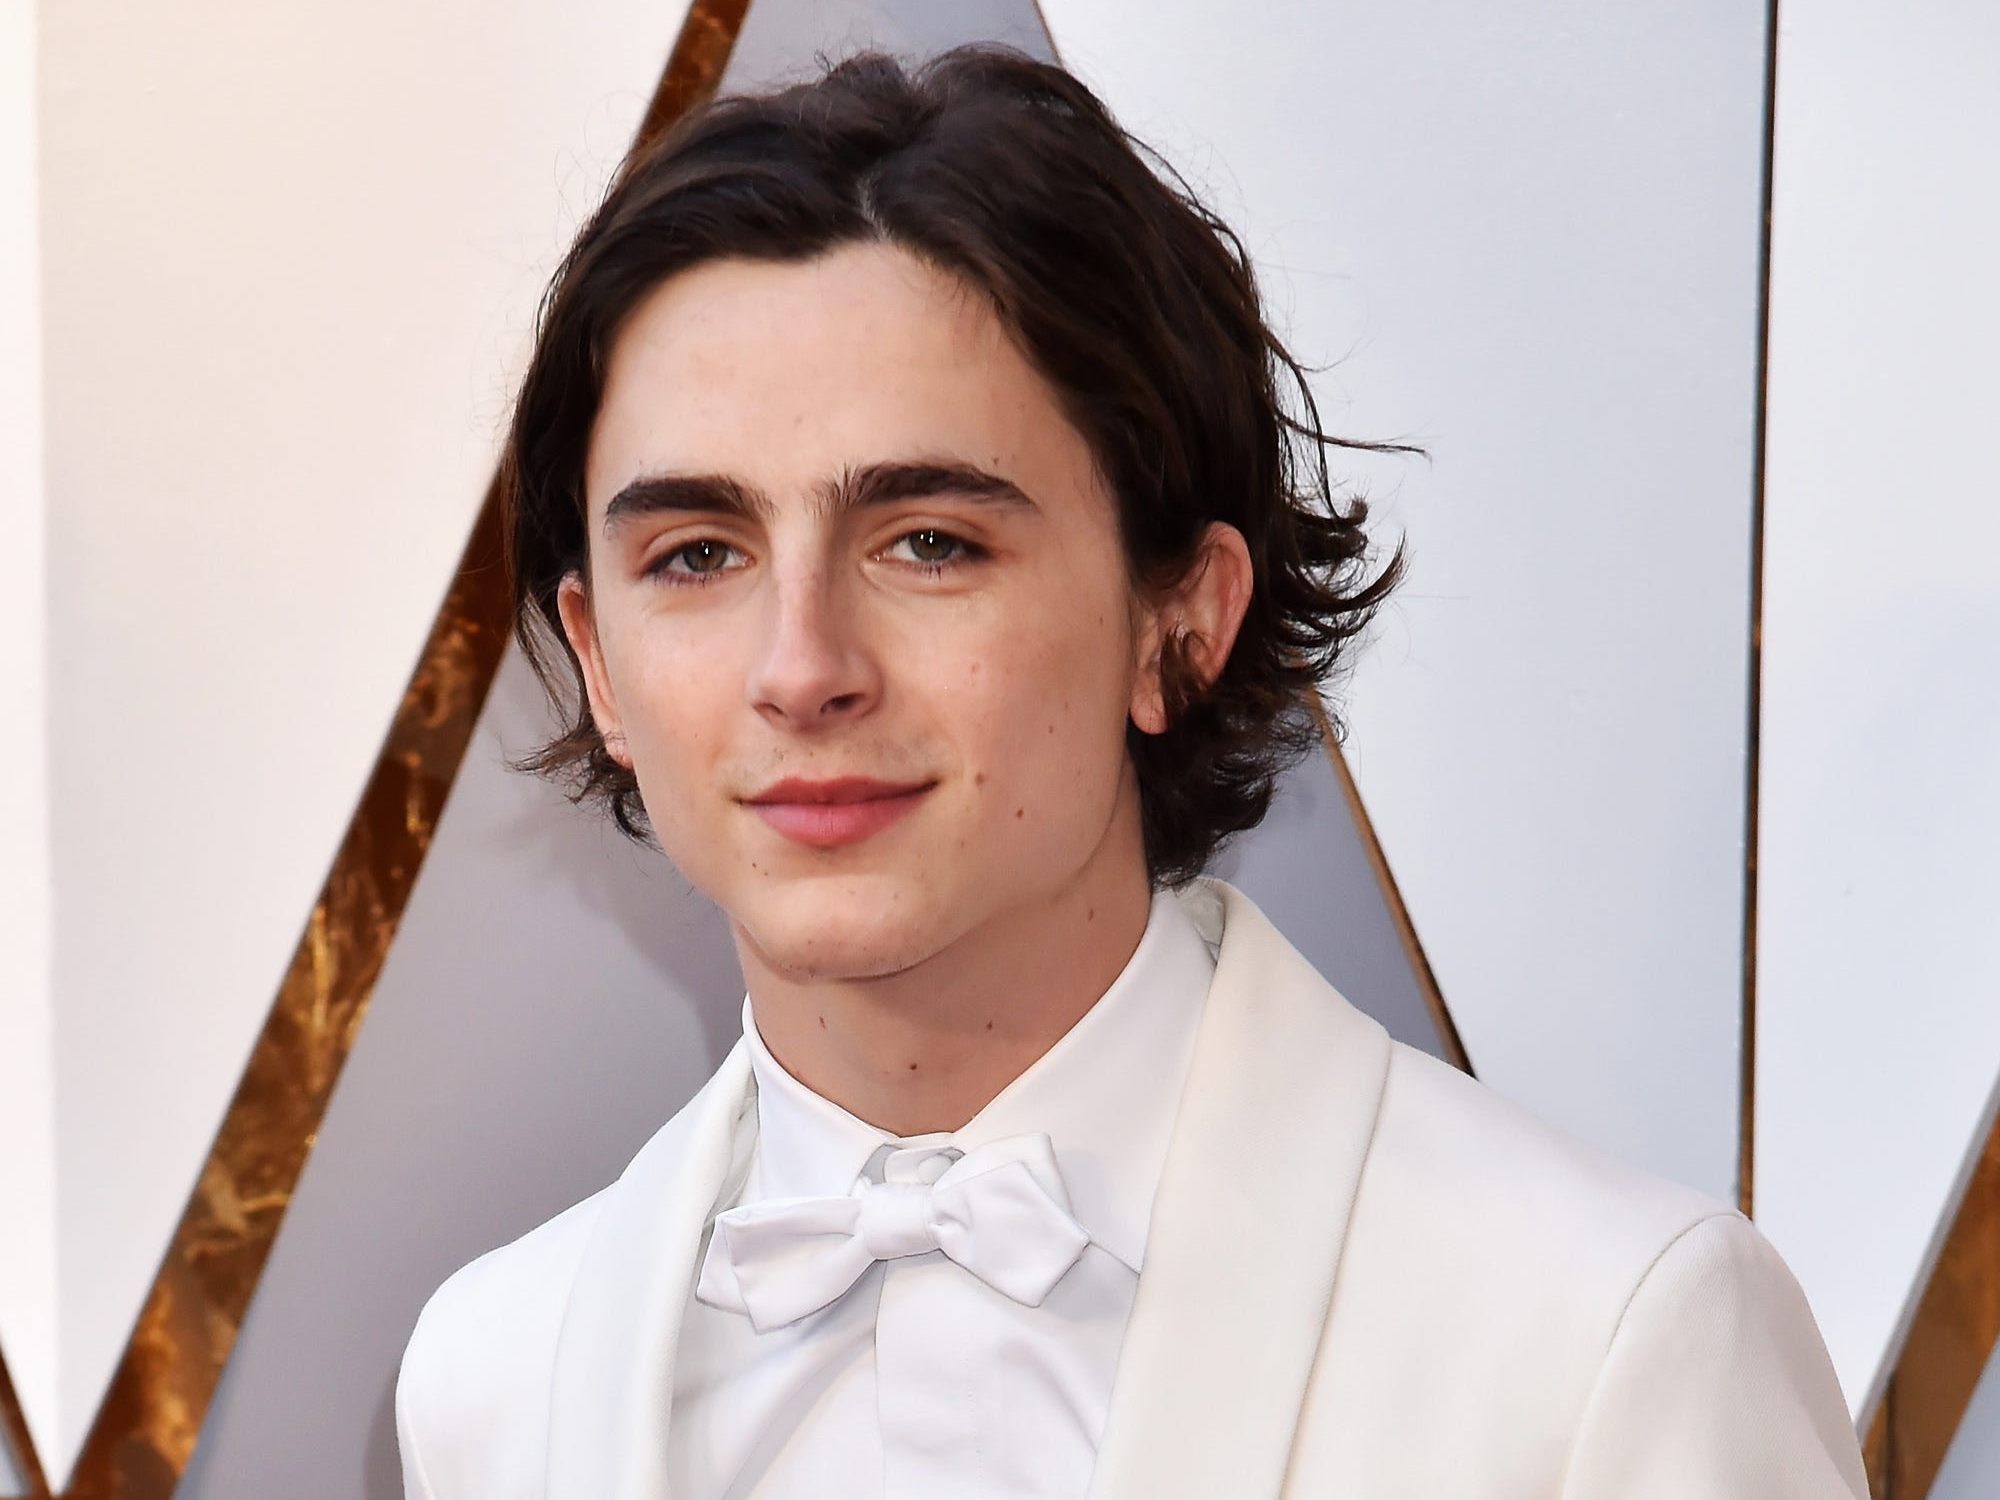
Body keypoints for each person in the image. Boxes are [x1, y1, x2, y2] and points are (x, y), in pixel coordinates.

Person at [394, 45, 1868, 1500]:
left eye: (930, 543)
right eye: (697, 556)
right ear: (598, 662)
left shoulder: (1606, 1340)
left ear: (1182, 620)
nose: (802, 666)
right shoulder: (495, 1382)